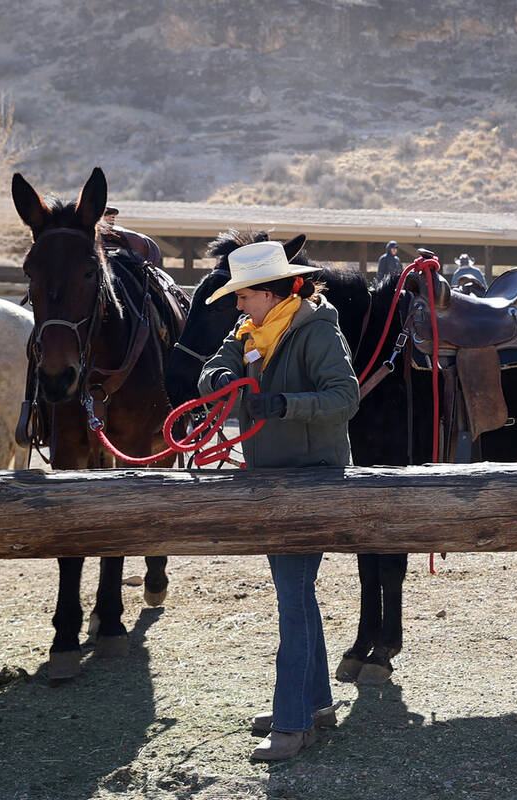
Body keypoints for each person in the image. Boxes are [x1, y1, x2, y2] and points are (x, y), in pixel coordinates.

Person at [197, 238, 360, 761]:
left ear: (267, 293)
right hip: (272, 477)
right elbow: (209, 369)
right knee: (298, 595)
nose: (237, 304)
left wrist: (284, 403)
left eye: (243, 295)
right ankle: (315, 705)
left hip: (311, 479)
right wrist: (220, 377)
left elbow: (344, 398)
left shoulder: (318, 332)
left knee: (293, 598)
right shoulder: (249, 331)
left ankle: (292, 722)